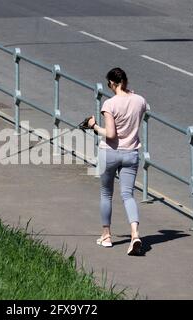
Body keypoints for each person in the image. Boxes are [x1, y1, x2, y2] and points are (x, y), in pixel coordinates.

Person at [87, 67, 147, 255]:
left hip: (110, 153)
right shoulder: (140, 101)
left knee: (106, 194)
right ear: (126, 81)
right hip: (131, 153)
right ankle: (135, 234)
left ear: (113, 83)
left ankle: (106, 236)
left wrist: (94, 126)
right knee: (128, 195)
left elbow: (111, 134)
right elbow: (136, 107)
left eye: (109, 84)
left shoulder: (109, 104)